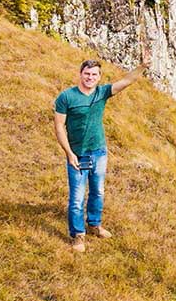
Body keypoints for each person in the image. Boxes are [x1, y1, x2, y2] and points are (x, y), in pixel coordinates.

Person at [53, 43, 149, 252]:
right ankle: (78, 235)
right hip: (78, 154)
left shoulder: (102, 93)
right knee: (77, 197)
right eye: (87, 74)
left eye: (94, 74)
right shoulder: (66, 97)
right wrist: (69, 154)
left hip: (99, 151)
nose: (90, 77)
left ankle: (94, 224)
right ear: (80, 74)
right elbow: (59, 126)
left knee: (98, 191)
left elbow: (125, 81)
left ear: (99, 77)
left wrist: (142, 66)